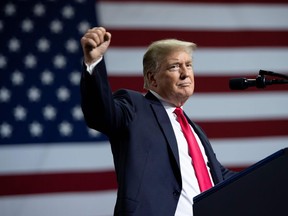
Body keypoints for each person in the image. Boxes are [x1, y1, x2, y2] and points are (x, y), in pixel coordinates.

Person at [80, 27, 235, 216]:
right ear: (152, 79)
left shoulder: (195, 131)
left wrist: (274, 175)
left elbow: (219, 177)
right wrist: (93, 62)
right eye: (175, 66)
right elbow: (101, 114)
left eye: (189, 65)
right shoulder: (135, 106)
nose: (185, 73)